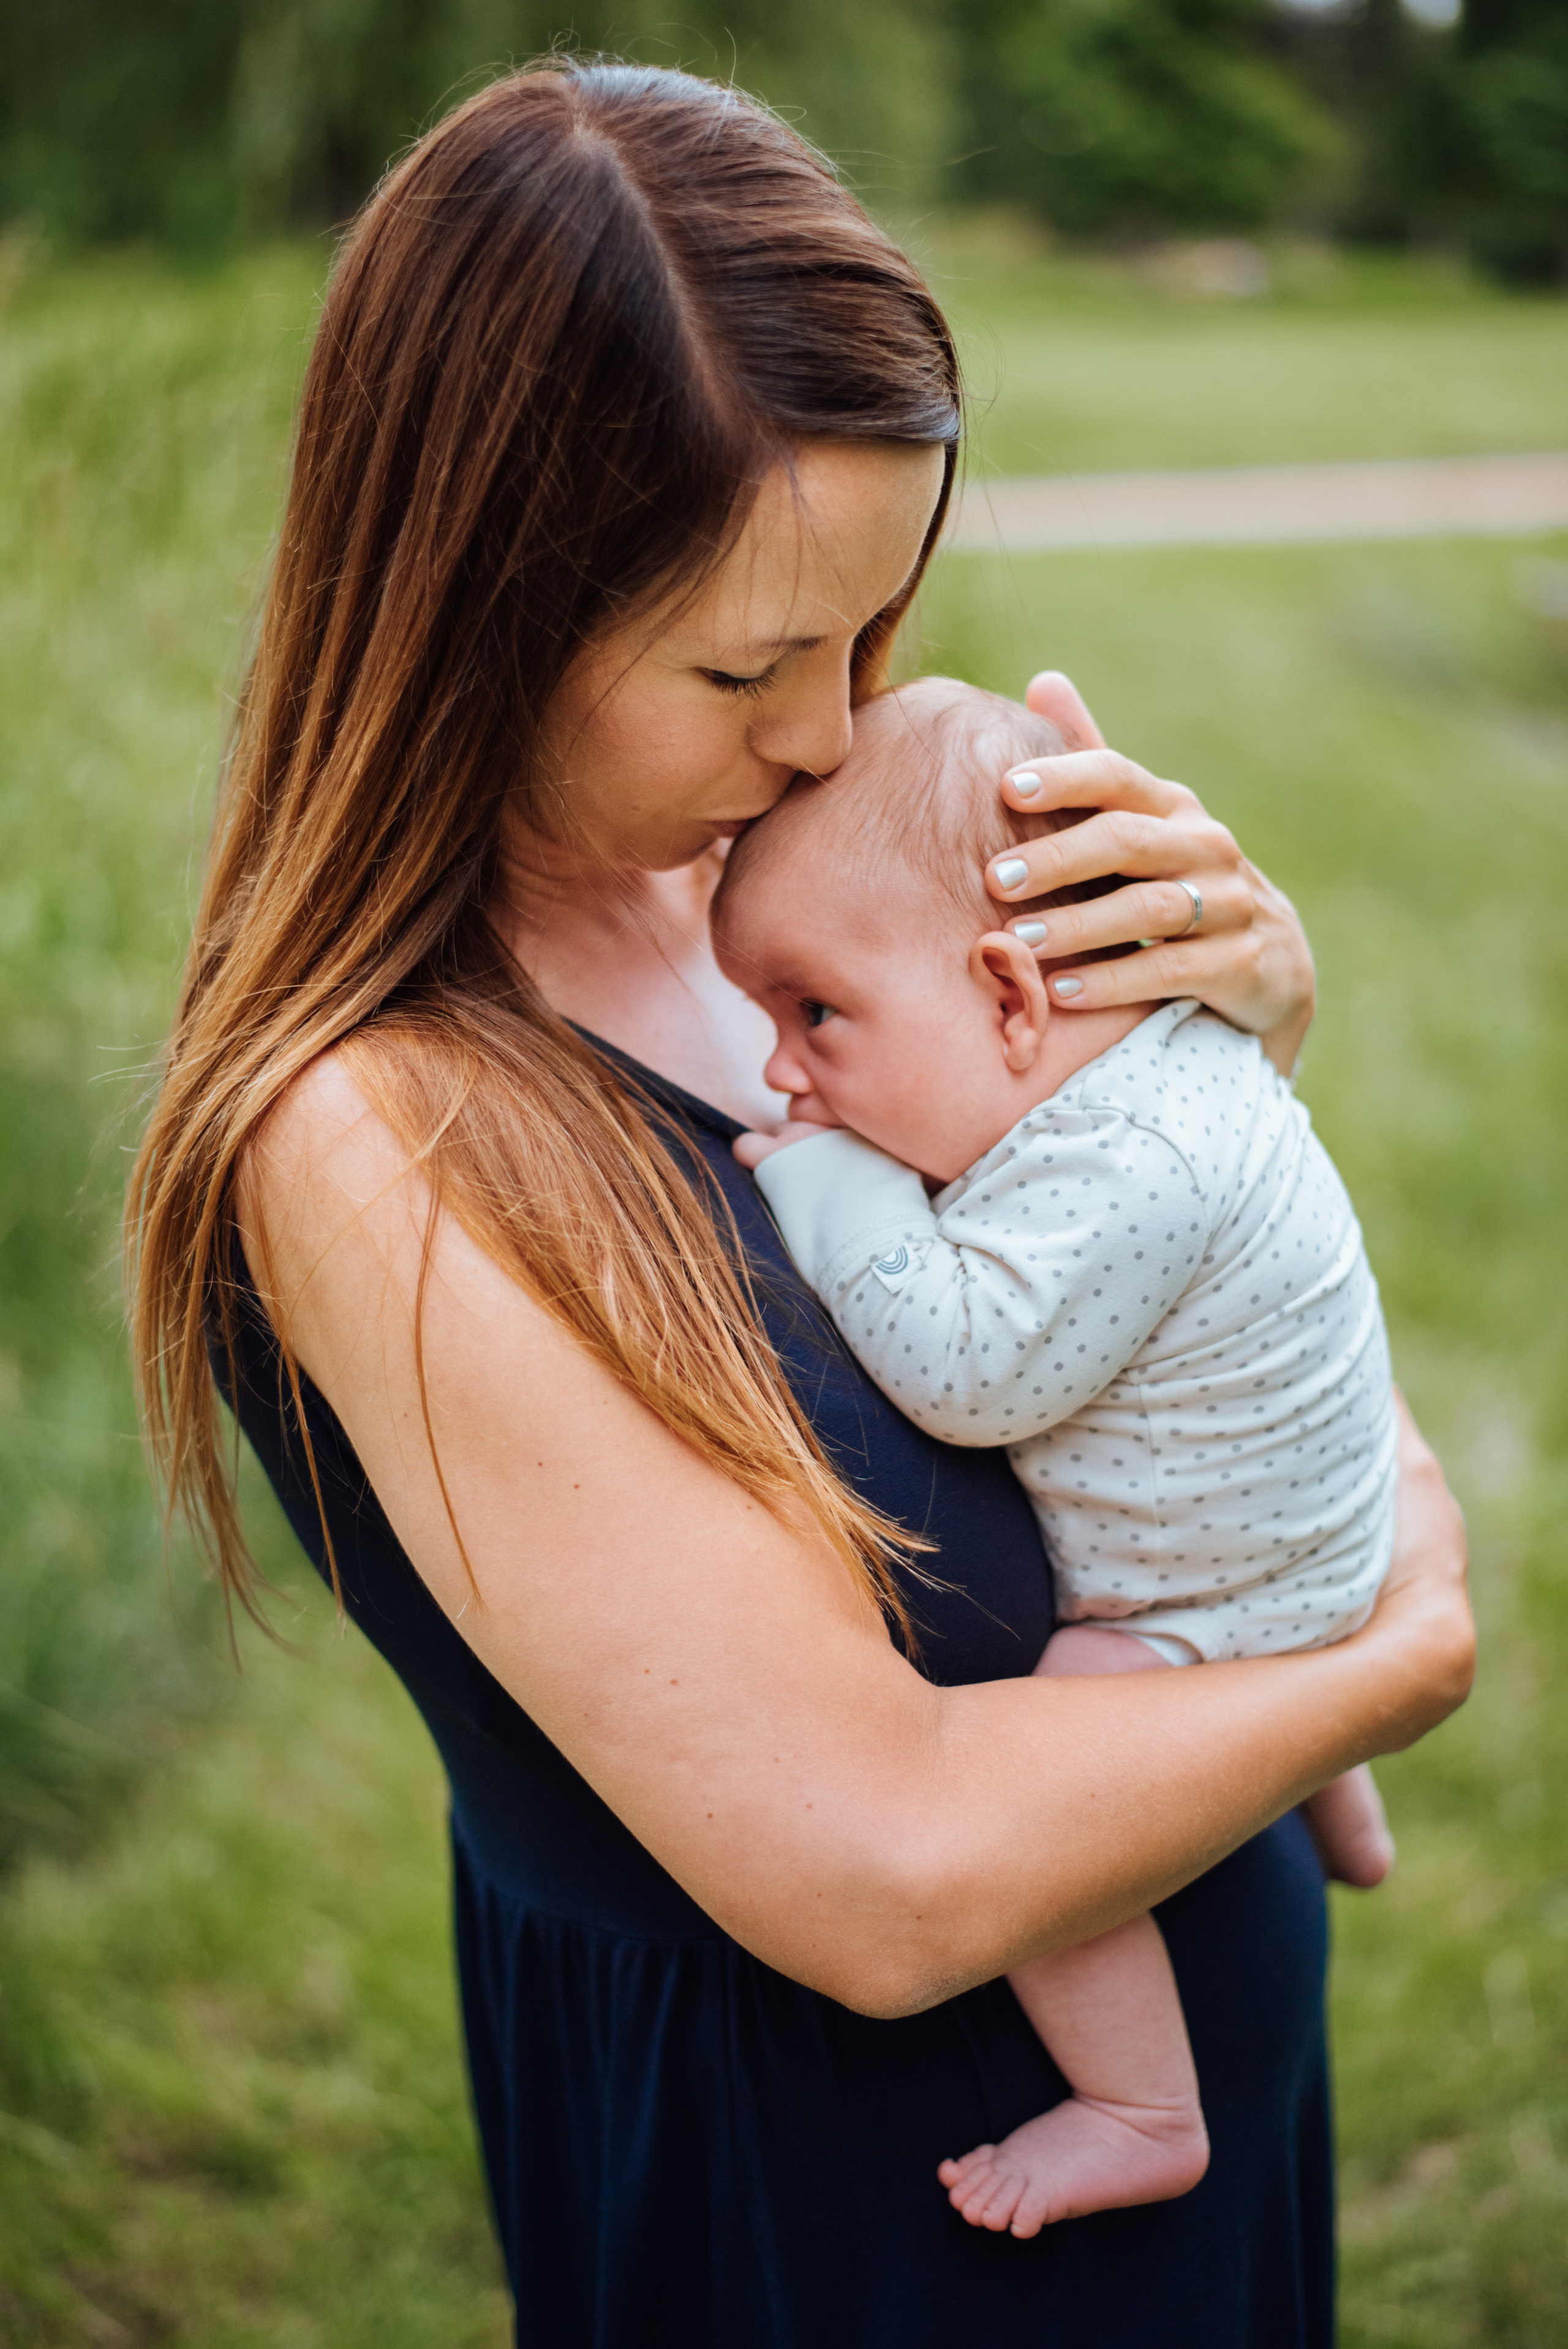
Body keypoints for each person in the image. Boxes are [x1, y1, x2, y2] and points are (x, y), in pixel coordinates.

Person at [127, 60, 1472, 2348]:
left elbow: (1151, 1284)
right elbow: (884, 1873)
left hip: (1191, 2082)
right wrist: (1390, 1657)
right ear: (473, 613)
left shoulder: (798, 893)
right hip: (859, 2203)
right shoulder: (381, 1131)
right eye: (748, 665)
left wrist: (1234, 1042)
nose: (836, 736)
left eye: (872, 632)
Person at [714, 675, 1401, 2239]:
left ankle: (1138, 2109)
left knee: (1034, 1799)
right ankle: (1339, 1813)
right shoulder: (1162, 1064)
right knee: (1275, 1619)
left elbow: (968, 1374)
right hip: (1309, 1533)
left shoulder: (1128, 1162)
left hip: (1213, 1596)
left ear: (1010, 995)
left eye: (814, 1015)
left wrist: (830, 1189)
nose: (781, 1073)